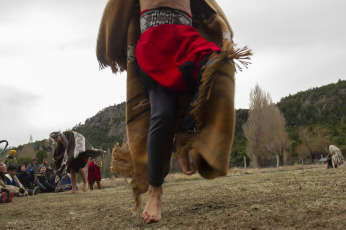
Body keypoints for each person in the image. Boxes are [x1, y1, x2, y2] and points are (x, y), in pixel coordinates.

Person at [97, 0, 251, 224]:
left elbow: (208, 9)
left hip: (188, 37)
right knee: (163, 113)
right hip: (153, 41)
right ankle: (155, 192)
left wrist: (223, 33)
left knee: (220, 65)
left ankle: (184, 135)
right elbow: (116, 11)